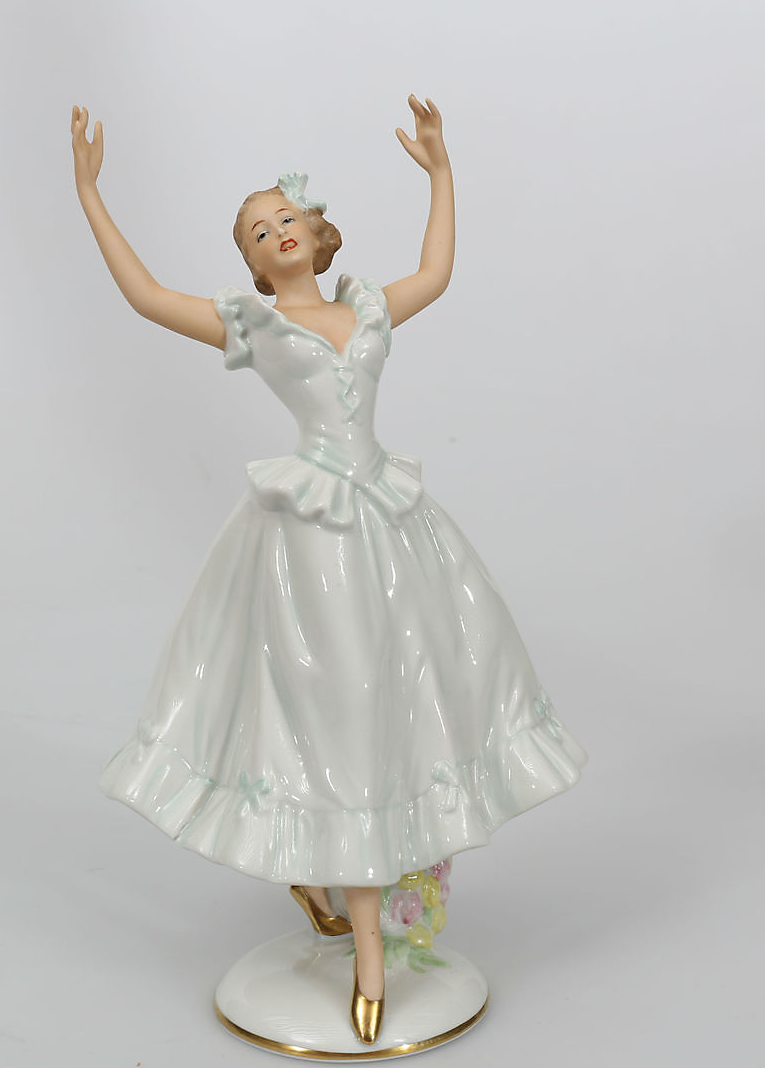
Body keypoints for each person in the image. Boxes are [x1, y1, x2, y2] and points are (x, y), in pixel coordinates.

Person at [71, 96, 587, 1046]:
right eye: (257, 232)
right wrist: (90, 194)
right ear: (253, 262)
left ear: (314, 231)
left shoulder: (368, 308)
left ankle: (345, 893)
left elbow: (437, 271)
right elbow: (145, 296)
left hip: (388, 520)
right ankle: (367, 945)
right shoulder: (258, 328)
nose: (276, 233)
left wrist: (440, 171)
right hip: (314, 539)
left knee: (415, 691)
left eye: (284, 218)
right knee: (342, 710)